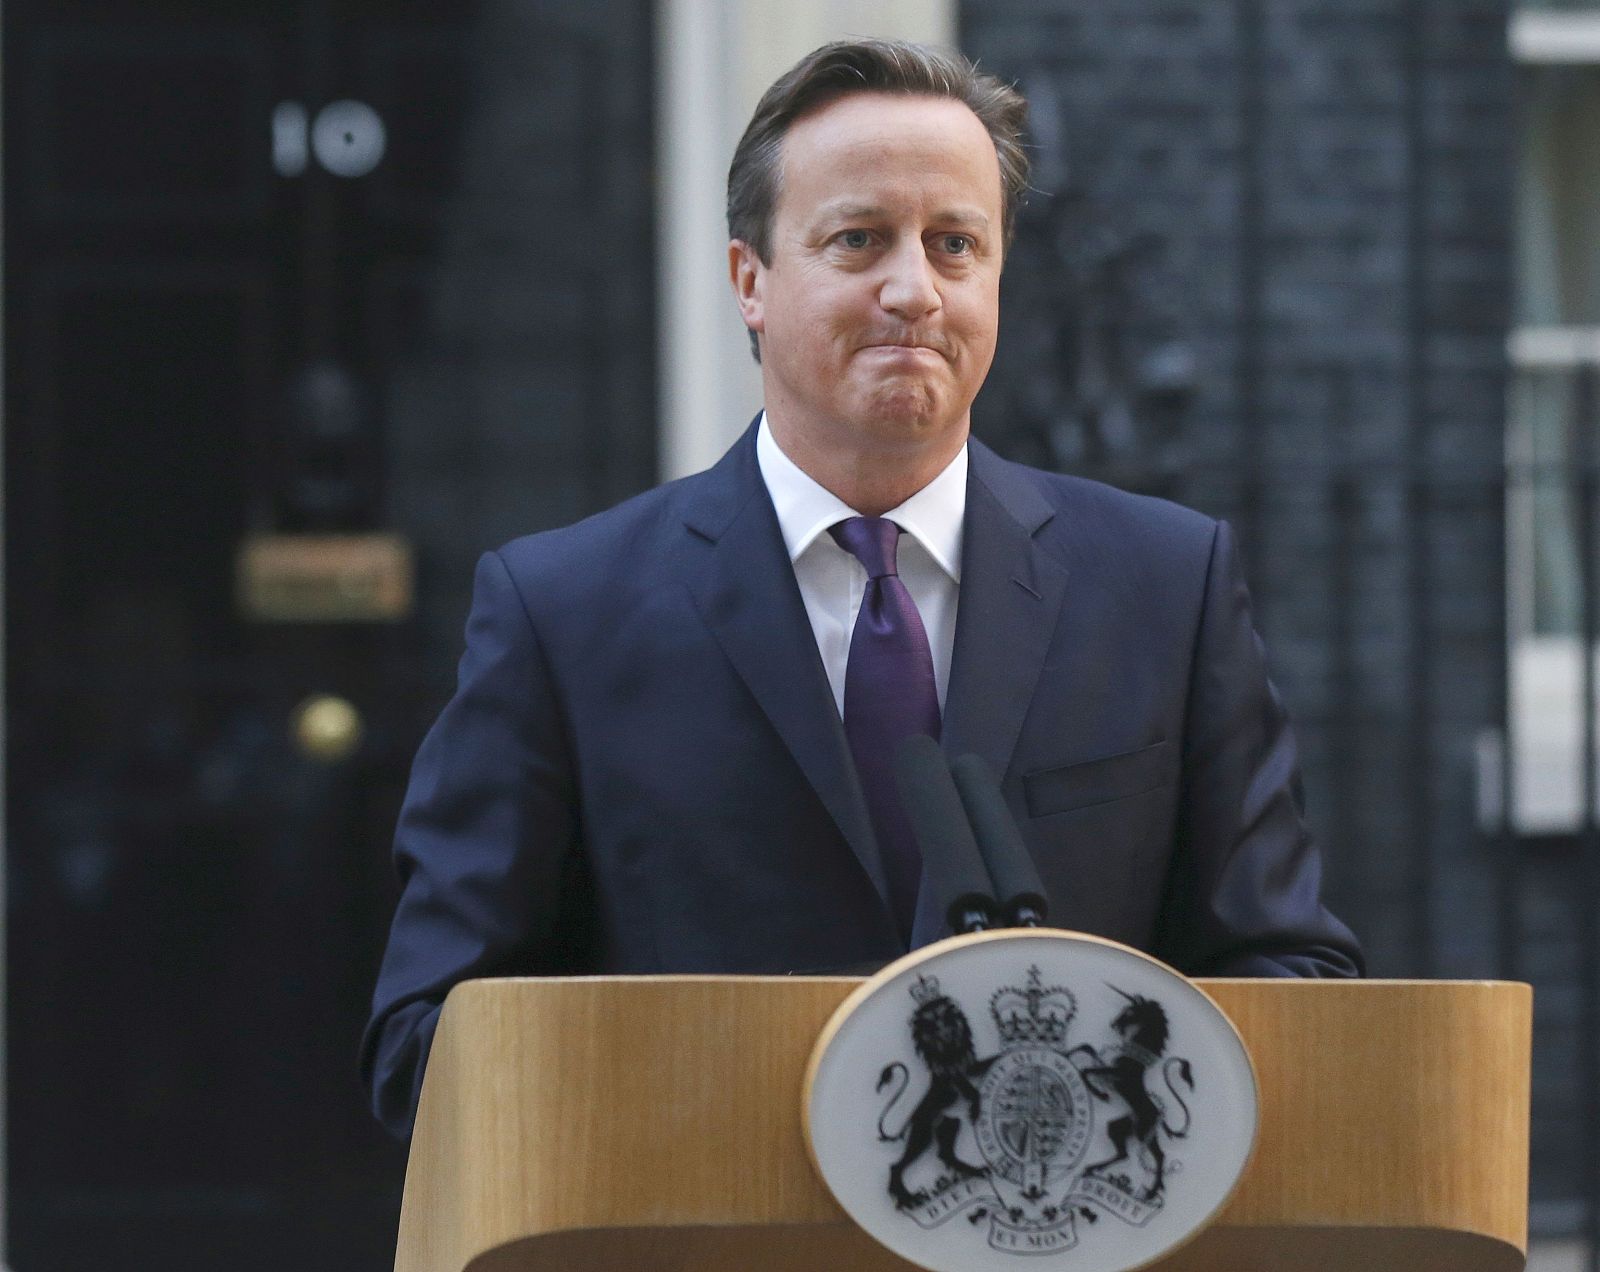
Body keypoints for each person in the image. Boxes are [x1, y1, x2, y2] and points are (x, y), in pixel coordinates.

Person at [362, 38, 1362, 1139]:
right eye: (858, 240)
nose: (912, 291)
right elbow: (429, 1042)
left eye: (954, 245)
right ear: (750, 280)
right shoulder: (560, 611)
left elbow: (1287, 979)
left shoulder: (1168, 587)